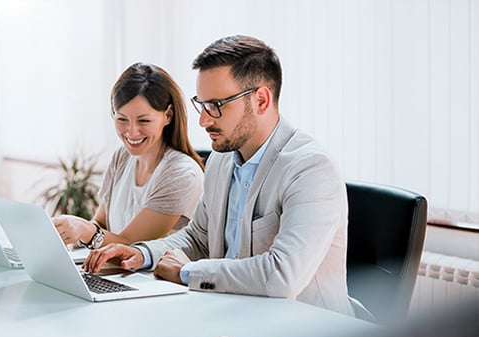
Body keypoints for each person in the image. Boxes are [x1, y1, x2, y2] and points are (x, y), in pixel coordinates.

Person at [83, 35, 355, 316]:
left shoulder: (310, 169)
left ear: (261, 100)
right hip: (232, 318)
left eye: (216, 105)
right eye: (201, 104)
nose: (203, 120)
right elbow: (197, 238)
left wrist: (187, 272)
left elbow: (281, 275)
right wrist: (143, 254)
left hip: (308, 336)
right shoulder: (221, 161)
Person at [52, 62, 204, 252]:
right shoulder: (122, 157)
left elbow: (132, 247)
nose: (132, 132)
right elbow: (101, 223)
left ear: (168, 115)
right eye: (122, 119)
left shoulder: (181, 174)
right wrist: (75, 235)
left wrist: (86, 231)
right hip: (115, 275)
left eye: (144, 121)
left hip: (153, 279)